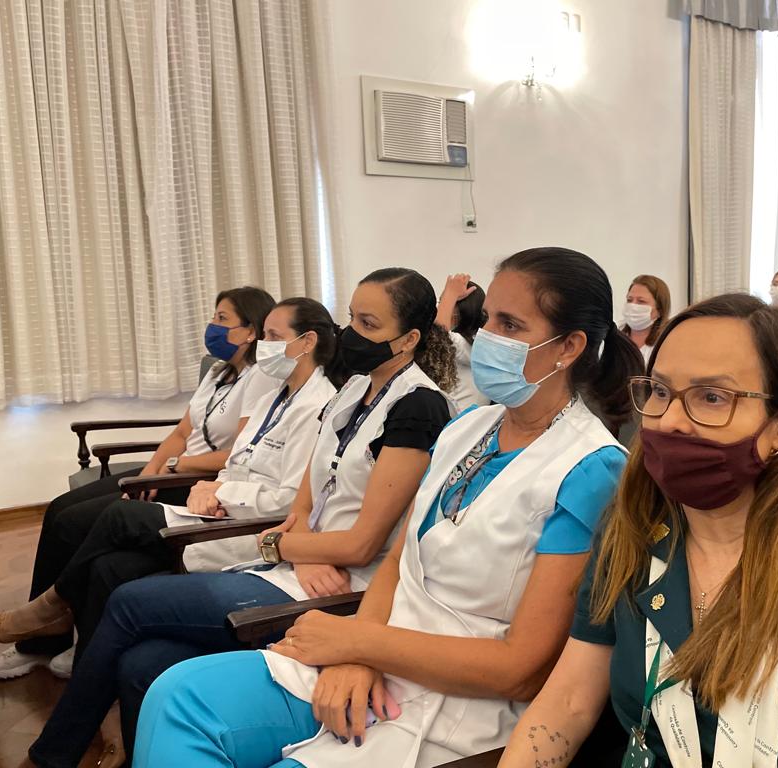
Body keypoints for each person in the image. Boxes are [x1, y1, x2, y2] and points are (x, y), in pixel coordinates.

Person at [131, 247, 645, 768]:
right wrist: (358, 650)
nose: (486, 336)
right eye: (488, 318)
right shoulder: (466, 429)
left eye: (510, 325)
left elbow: (522, 670)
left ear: (569, 347)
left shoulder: (589, 469)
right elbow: (399, 561)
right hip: (380, 646)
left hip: (456, 699)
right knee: (177, 695)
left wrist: (360, 645)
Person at [20, 269, 458, 768]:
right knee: (142, 663)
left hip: (342, 585)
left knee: (128, 600)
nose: (350, 334)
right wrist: (298, 545)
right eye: (351, 318)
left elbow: (360, 545)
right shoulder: (354, 389)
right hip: (300, 562)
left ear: (409, 339)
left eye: (368, 324)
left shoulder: (418, 407)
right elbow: (306, 501)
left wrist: (279, 545)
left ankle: (49, 758)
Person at [498, 293, 778, 768]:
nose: (670, 421)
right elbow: (568, 702)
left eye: (712, 397)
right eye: (661, 391)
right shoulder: (632, 531)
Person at [0, 286, 277, 682]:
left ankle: (47, 625)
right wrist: (151, 470)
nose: (212, 326)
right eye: (213, 316)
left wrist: (174, 466)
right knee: (60, 509)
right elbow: (182, 431)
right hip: (172, 469)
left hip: (200, 481)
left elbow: (238, 453)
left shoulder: (260, 379)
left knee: (74, 524)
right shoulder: (219, 373)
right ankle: (48, 634)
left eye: (222, 319)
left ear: (251, 331)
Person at [435, 272, 491, 409]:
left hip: (456, 418)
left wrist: (451, 294)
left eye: (444, 303)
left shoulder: (463, 345)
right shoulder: (473, 346)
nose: (439, 309)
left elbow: (437, 336)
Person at [620, 275, 671, 368]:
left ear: (659, 310)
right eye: (629, 300)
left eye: (641, 301)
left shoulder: (668, 342)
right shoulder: (614, 338)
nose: (633, 306)